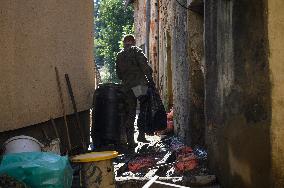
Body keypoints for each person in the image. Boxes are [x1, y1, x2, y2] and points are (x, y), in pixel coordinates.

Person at [116, 35, 153, 149]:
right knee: (144, 109)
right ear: (133, 42)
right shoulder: (137, 51)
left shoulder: (119, 55)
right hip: (139, 85)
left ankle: (130, 141)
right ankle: (141, 135)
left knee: (130, 112)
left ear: (124, 43)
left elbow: (119, 74)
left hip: (127, 87)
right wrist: (150, 76)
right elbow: (145, 67)